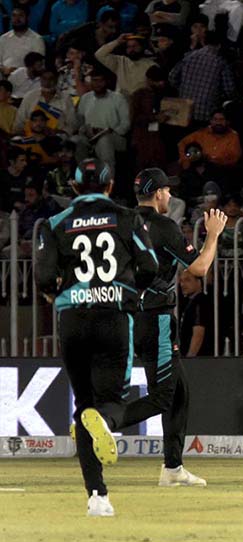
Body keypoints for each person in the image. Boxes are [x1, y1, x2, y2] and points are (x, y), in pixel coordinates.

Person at [34, 158, 158, 516]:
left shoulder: (54, 223)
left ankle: (97, 496)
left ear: (72, 187)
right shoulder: (127, 218)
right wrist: (133, 291)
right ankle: (105, 422)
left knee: (83, 404)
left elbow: (43, 277)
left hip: (72, 318)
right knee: (112, 401)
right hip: (113, 316)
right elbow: (149, 266)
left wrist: (55, 295)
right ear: (110, 185)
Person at [115, 168, 227, 487]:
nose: (171, 196)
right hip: (157, 317)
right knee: (164, 396)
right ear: (159, 193)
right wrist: (214, 234)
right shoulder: (164, 226)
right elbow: (200, 268)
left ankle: (173, 468)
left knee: (179, 393)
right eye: (168, 191)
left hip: (129, 317)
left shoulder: (124, 223)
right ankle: (102, 418)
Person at [75, 68, 129, 170]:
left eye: (101, 81)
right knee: (78, 141)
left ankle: (107, 182)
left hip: (114, 136)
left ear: (106, 82)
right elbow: (80, 120)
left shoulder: (118, 98)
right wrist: (84, 129)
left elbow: (125, 124)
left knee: (104, 141)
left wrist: (109, 131)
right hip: (90, 136)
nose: (98, 84)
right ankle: (83, 178)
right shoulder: (86, 98)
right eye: (95, 80)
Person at [95, 33, 157, 97]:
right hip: (120, 102)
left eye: (135, 46)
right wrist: (117, 41)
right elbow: (99, 54)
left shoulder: (151, 65)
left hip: (141, 103)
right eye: (129, 47)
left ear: (142, 47)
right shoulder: (120, 61)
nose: (131, 49)